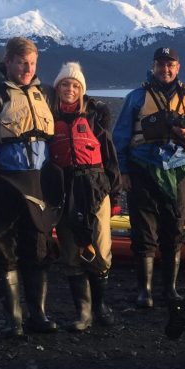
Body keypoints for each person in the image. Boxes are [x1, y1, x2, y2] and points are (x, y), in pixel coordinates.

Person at [0, 37, 64, 336]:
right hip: (4, 181)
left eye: (32, 63)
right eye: (21, 62)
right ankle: (14, 320)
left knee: (37, 247)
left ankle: (38, 315)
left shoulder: (43, 95)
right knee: (2, 249)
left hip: (37, 183)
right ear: (7, 62)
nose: (27, 68)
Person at [112, 46, 185, 308]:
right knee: (143, 231)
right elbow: (121, 137)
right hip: (142, 169)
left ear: (178, 68)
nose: (165, 69)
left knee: (174, 230)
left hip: (178, 170)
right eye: (160, 64)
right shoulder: (136, 98)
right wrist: (123, 171)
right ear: (153, 66)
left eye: (170, 65)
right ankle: (144, 291)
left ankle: (170, 289)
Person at [48, 63, 121, 331]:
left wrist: (114, 194)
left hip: (94, 186)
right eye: (65, 84)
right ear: (57, 88)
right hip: (63, 189)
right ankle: (83, 313)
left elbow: (110, 156)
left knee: (100, 248)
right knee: (70, 249)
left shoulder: (94, 116)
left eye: (75, 85)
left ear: (82, 90)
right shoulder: (48, 117)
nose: (70, 89)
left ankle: (100, 305)